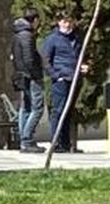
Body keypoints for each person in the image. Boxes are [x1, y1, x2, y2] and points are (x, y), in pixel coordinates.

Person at [40, 10, 84, 153]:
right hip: (61, 79)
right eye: (64, 21)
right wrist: (55, 75)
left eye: (70, 21)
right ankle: (56, 142)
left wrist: (84, 66)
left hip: (75, 78)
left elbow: (81, 55)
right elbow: (45, 60)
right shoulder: (52, 39)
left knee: (69, 111)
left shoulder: (77, 38)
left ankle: (65, 143)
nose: (67, 24)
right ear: (59, 22)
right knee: (58, 111)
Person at [11, 8, 45, 153]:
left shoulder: (17, 33)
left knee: (26, 107)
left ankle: (23, 140)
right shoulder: (27, 35)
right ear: (35, 20)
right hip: (30, 76)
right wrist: (37, 76)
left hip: (21, 75)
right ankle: (27, 139)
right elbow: (29, 59)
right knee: (37, 108)